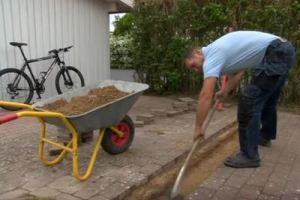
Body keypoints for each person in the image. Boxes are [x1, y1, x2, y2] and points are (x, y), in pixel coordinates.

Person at [184, 31, 296, 168]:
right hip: (283, 50)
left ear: (197, 52)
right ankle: (265, 136)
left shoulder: (211, 55)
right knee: (266, 99)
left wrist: (198, 127)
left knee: (248, 102)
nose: (196, 70)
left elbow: (205, 95)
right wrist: (225, 91)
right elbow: (238, 73)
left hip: (275, 54)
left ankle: (249, 155)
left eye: (193, 65)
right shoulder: (221, 53)